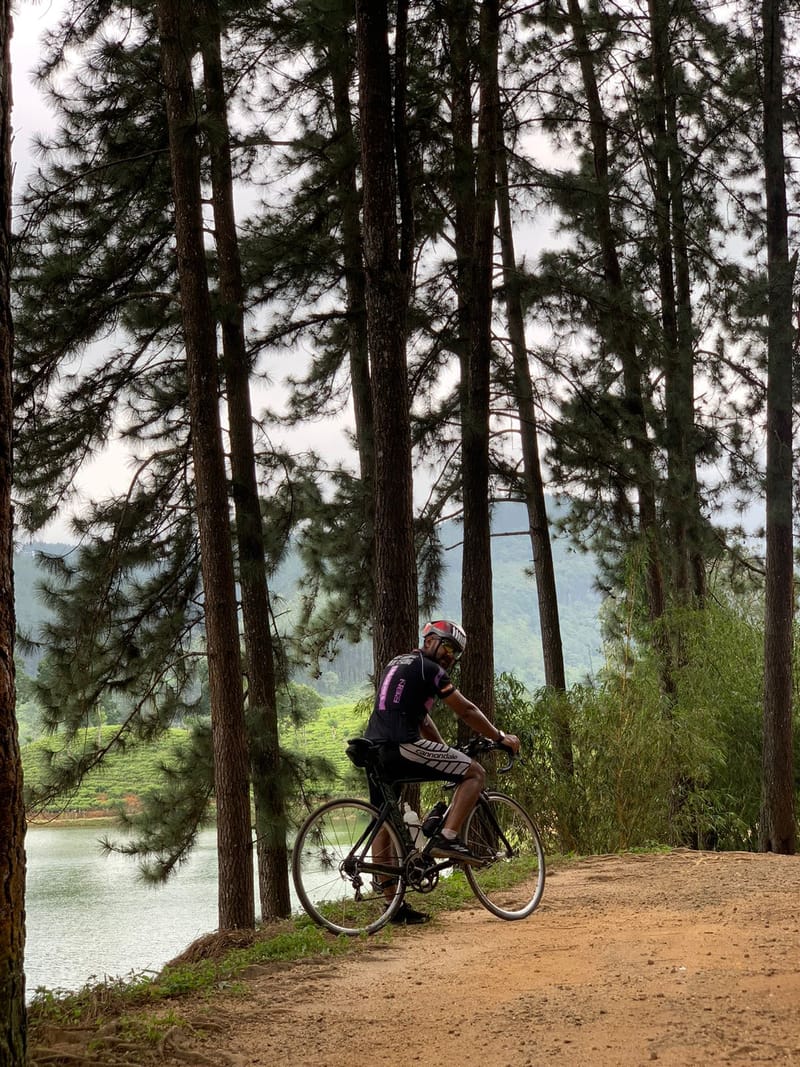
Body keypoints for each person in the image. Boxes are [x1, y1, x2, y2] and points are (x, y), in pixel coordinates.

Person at [363, 619, 521, 924]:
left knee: (384, 819)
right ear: (429, 640)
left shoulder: (399, 662)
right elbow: (466, 710)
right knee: (474, 773)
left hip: (374, 748)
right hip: (402, 744)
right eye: (447, 646)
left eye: (455, 652)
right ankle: (448, 837)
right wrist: (499, 737)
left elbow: (422, 719)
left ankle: (391, 907)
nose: (450, 656)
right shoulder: (430, 669)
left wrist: (445, 750)